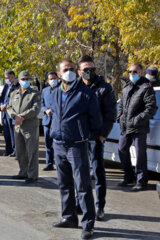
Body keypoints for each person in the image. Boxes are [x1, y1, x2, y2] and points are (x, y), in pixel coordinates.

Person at [50, 60, 102, 240]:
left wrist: (86, 135)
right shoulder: (55, 92)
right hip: (58, 143)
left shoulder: (86, 94)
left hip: (77, 145)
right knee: (64, 184)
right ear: (58, 73)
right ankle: (69, 217)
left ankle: (88, 224)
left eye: (72, 69)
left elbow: (96, 120)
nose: (69, 72)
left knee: (83, 186)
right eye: (66, 70)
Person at [76, 55, 117, 221]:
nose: (89, 72)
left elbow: (110, 114)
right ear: (79, 71)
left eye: (92, 69)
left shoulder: (104, 88)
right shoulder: (75, 87)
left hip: (96, 138)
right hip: (78, 138)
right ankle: (81, 202)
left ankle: (100, 206)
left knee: (98, 172)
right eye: (86, 69)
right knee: (80, 172)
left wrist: (102, 135)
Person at [117, 63, 157, 191]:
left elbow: (150, 109)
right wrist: (120, 117)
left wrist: (135, 120)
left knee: (140, 154)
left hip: (139, 127)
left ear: (141, 73)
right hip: (125, 126)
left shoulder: (146, 87)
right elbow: (122, 105)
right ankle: (128, 177)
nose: (132, 74)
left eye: (134, 72)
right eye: (130, 72)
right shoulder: (126, 86)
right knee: (122, 150)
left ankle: (141, 181)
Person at [7, 70, 41, 183]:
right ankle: (23, 172)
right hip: (17, 126)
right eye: (23, 79)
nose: (25, 81)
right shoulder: (14, 93)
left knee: (31, 151)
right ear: (18, 80)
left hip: (30, 126)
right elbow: (9, 107)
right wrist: (14, 116)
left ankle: (32, 175)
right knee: (20, 151)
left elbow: (36, 108)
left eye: (27, 79)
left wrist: (22, 116)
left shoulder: (34, 93)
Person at [41, 71, 59, 171]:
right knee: (48, 143)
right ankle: (49, 163)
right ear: (47, 81)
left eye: (54, 78)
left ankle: (59, 163)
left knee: (57, 144)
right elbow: (41, 104)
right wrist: (45, 110)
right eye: (51, 79)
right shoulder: (44, 91)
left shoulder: (61, 90)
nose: (53, 80)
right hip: (47, 121)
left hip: (57, 121)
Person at [0, 70, 19, 157]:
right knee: (6, 133)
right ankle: (8, 149)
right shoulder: (6, 86)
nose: (6, 79)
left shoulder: (17, 87)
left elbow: (15, 100)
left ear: (12, 77)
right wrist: (1, 105)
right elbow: (2, 98)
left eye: (7, 78)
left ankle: (15, 150)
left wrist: (6, 106)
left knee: (13, 133)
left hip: (11, 113)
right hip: (4, 113)